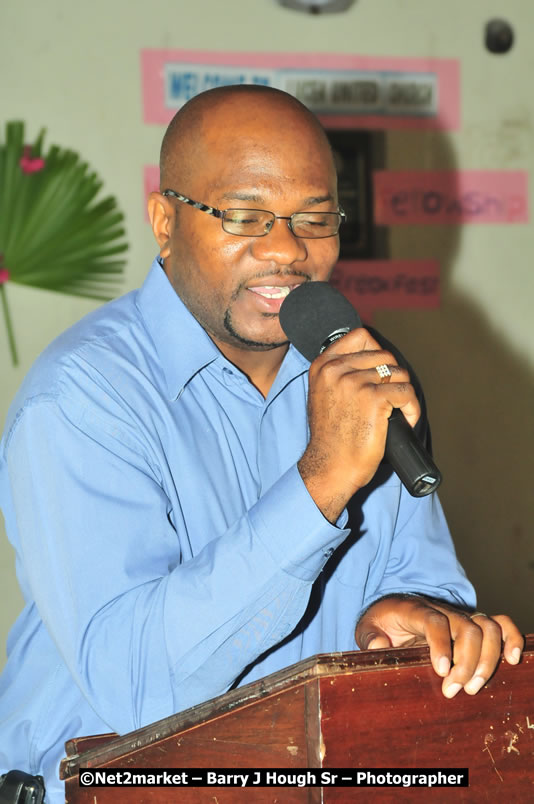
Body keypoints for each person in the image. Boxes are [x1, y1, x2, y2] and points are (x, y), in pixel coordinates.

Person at [0, 85, 523, 802]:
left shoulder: (364, 374)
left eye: (315, 218)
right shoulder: (84, 397)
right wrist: (319, 484)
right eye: (245, 216)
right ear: (164, 220)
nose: (287, 249)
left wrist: (415, 616)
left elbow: (423, 579)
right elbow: (140, 690)